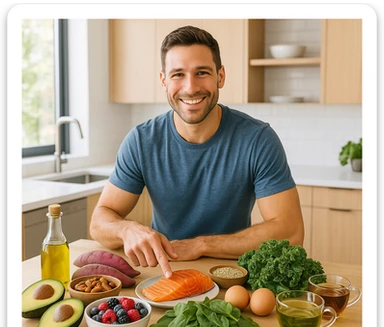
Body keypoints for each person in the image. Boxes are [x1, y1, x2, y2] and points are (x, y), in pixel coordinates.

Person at [90, 25, 304, 278]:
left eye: (202, 72)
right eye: (178, 74)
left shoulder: (257, 139)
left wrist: (201, 245)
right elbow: (99, 222)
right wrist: (127, 229)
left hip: (230, 272)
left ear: (220, 76)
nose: (190, 88)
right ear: (164, 81)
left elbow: (290, 232)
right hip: (164, 271)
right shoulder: (141, 140)